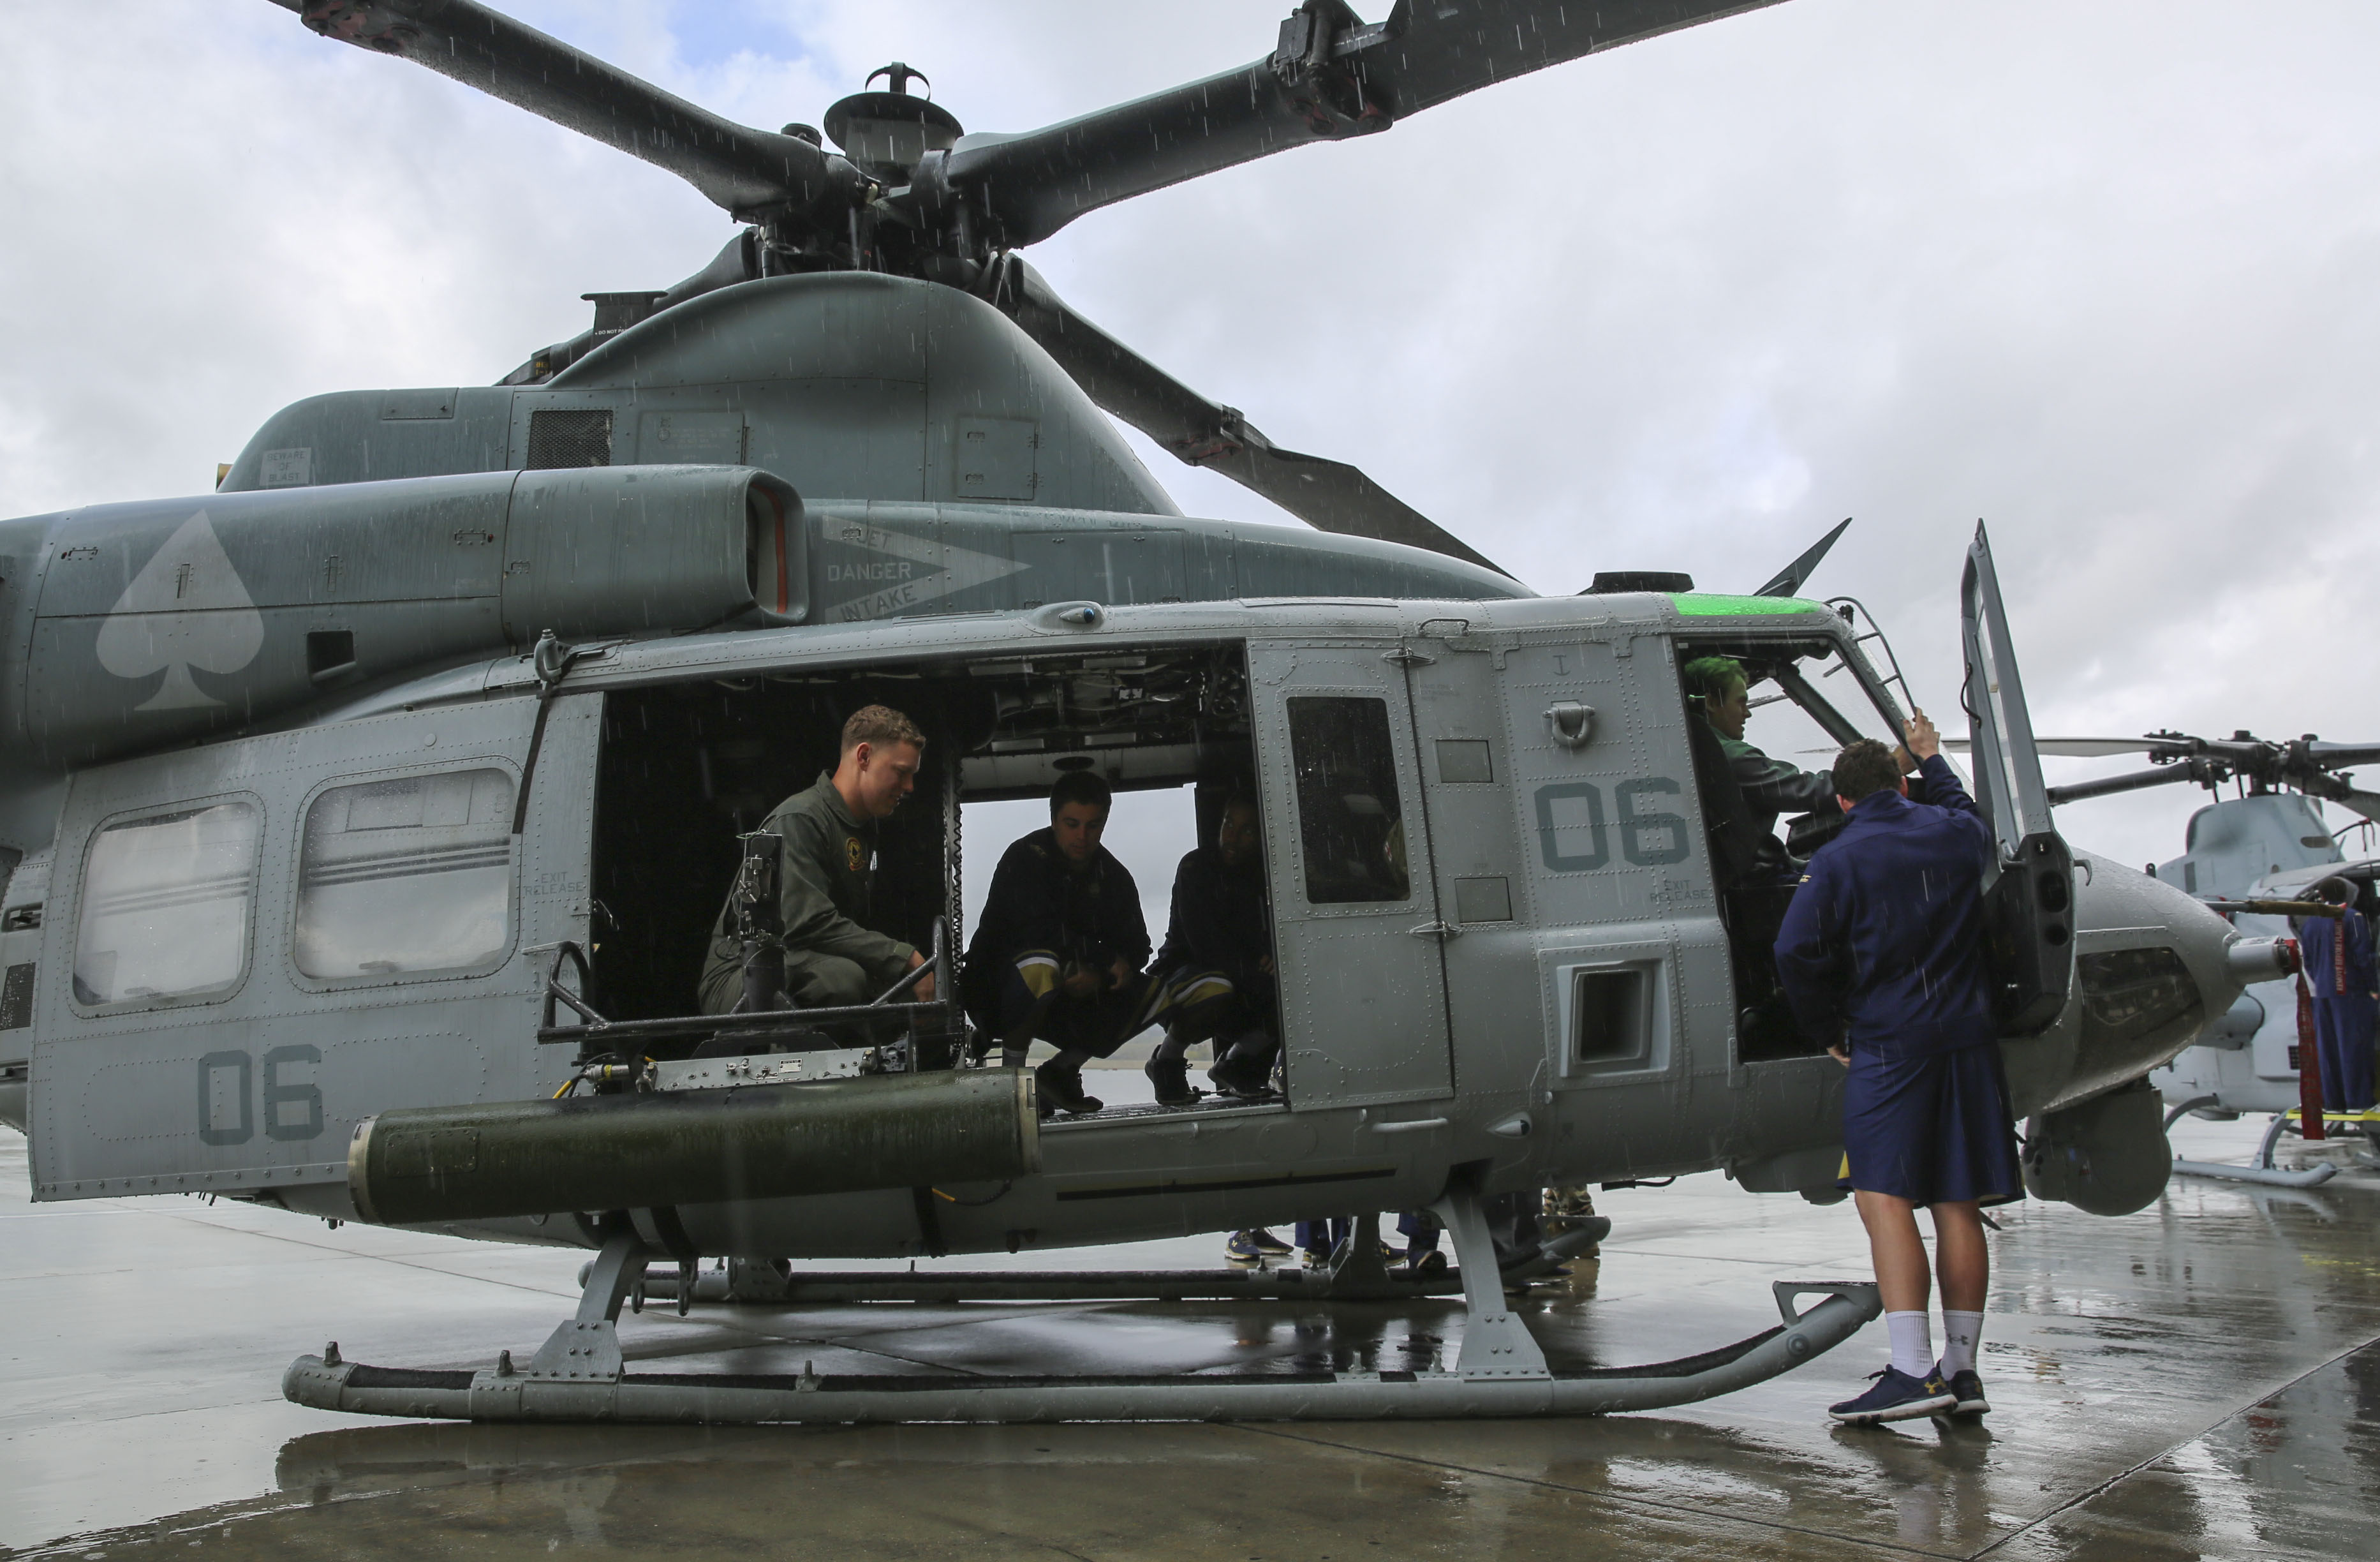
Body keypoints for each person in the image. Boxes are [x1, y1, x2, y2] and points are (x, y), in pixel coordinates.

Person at [1773, 711, 2017, 1425]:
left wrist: (1825, 1030)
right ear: (1901, 785)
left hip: (1889, 1044)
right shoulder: (1955, 832)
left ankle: (1911, 1370)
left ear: (1842, 799)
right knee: (1956, 1203)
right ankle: (1961, 1371)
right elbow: (1963, 804)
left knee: (1882, 1200)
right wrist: (1930, 756)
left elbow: (1793, 951)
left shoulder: (1837, 860)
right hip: (1968, 1039)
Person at [697, 704, 933, 1018]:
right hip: (744, 973)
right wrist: (903, 957)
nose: (909, 787)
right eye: (901, 772)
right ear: (864, 757)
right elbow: (803, 924)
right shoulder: (801, 819)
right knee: (842, 980)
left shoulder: (859, 827)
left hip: (793, 963)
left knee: (903, 996)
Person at [962, 771, 1174, 1115]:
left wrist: (1100, 977)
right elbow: (1035, 930)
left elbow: (1137, 946)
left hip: (1071, 999)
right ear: (1054, 819)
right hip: (998, 991)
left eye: (1093, 825)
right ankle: (1012, 1083)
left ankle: (1061, 1072)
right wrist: (1099, 958)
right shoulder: (1024, 858)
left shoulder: (1114, 877)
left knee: (1155, 992)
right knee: (1041, 966)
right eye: (1072, 824)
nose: (1082, 836)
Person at [1146, 792, 1279, 1103]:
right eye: (1228, 824)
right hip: (1181, 975)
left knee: (1295, 988)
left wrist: (1274, 957)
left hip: (1241, 976)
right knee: (1213, 986)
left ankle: (1234, 1063)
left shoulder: (1263, 875)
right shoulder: (1195, 867)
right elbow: (1206, 944)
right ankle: (1166, 1061)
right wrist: (1257, 969)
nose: (1232, 836)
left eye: (1247, 830)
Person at [2297, 878, 2377, 1113]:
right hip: (2351, 993)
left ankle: (2334, 1103)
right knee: (2354, 1047)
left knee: (2328, 1051)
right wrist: (2374, 987)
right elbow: (2362, 957)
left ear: (2321, 896)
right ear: (2345, 895)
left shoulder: (2311, 923)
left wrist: (2324, 982)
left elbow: (2308, 961)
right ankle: (2358, 1102)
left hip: (2323, 994)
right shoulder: (2353, 918)